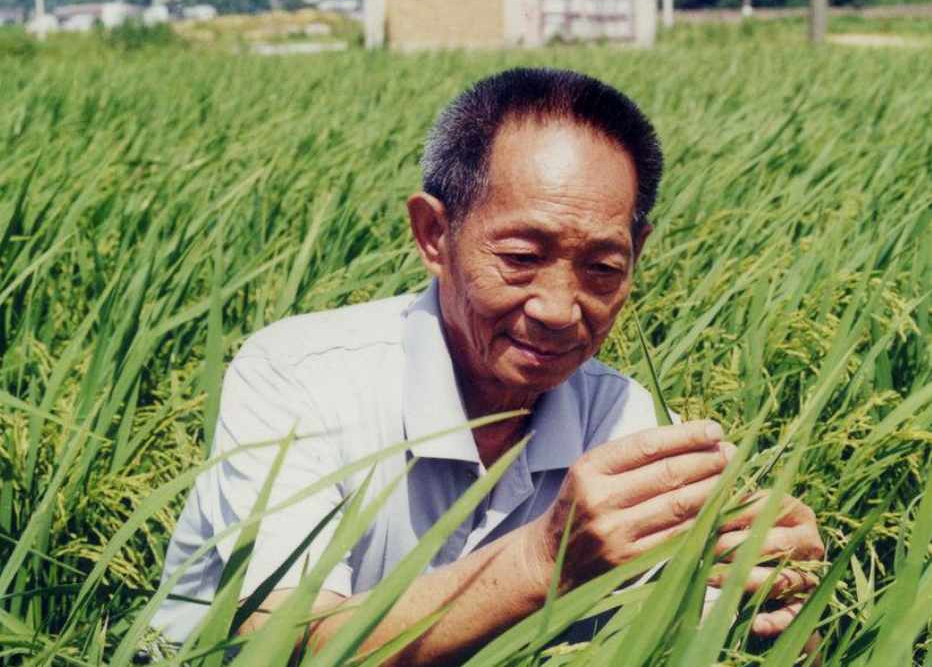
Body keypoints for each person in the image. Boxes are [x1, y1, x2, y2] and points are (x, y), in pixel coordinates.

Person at [152, 67, 824, 663]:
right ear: (434, 235)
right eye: (521, 258)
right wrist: (545, 560)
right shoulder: (297, 377)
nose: (560, 309)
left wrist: (775, 604)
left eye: (603, 267)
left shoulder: (631, 425)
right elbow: (287, 642)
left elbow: (700, 638)